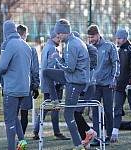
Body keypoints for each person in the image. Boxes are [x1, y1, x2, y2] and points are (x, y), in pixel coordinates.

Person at [43, 18, 90, 150]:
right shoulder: (73, 42)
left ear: (63, 32)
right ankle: (54, 100)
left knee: (68, 114)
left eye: (58, 34)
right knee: (46, 72)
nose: (57, 36)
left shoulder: (71, 45)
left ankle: (78, 144)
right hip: (72, 77)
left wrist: (56, 58)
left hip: (75, 81)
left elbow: (69, 67)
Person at [0, 20, 32, 150]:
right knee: (14, 115)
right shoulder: (26, 45)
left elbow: (2, 66)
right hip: (24, 88)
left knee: (9, 119)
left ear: (5, 31)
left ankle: (11, 147)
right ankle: (22, 141)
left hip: (12, 88)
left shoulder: (9, 44)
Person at [33, 27, 70, 140]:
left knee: (46, 107)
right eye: (58, 37)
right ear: (54, 37)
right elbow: (53, 67)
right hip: (54, 84)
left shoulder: (46, 47)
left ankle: (36, 130)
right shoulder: (53, 49)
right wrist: (57, 82)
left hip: (46, 83)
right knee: (55, 107)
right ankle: (57, 133)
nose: (60, 39)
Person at [87, 25, 120, 146]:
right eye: (89, 37)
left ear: (98, 34)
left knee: (107, 110)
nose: (91, 40)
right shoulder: (89, 47)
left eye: (93, 37)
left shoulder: (109, 46)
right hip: (94, 85)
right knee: (94, 111)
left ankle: (109, 135)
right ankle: (97, 137)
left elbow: (116, 64)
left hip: (107, 85)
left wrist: (113, 80)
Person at [72, 31, 98, 148]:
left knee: (76, 113)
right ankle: (85, 139)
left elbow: (88, 70)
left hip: (87, 87)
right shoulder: (76, 52)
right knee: (76, 113)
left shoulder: (88, 51)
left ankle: (89, 132)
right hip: (82, 87)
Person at [16, 24, 40, 135]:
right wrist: (35, 86)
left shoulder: (10, 47)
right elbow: (35, 69)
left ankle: (13, 138)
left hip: (13, 85)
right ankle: (21, 139)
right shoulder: (31, 49)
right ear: (25, 34)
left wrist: (3, 84)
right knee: (24, 113)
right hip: (26, 85)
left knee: (13, 114)